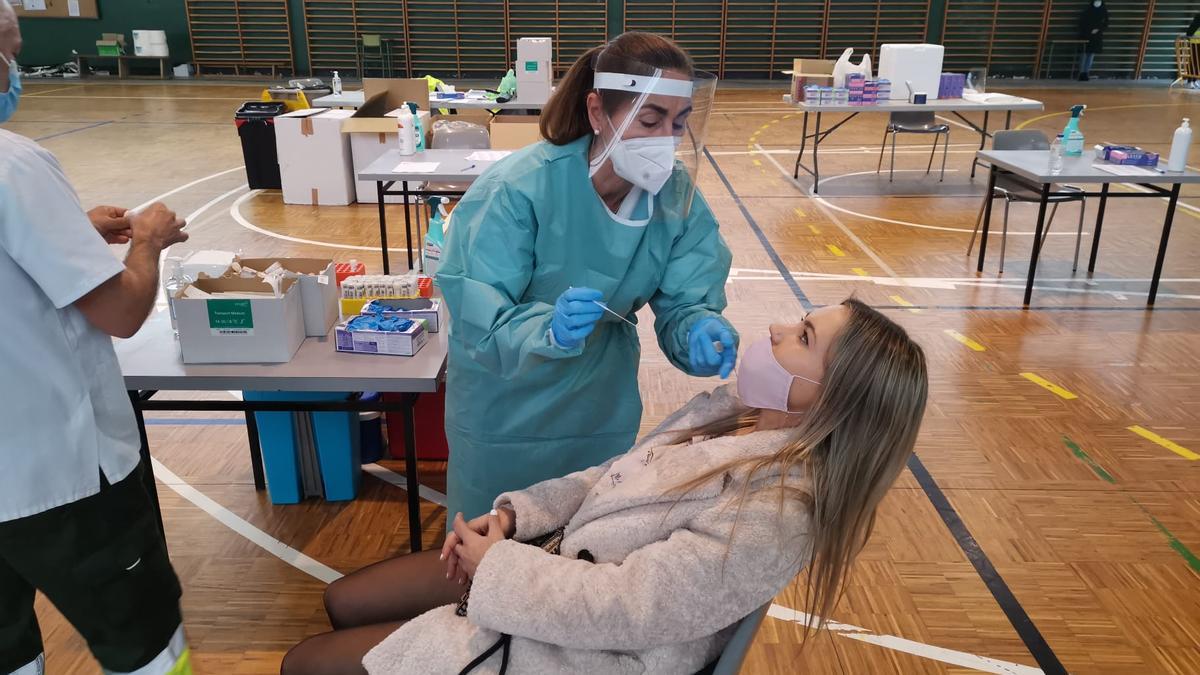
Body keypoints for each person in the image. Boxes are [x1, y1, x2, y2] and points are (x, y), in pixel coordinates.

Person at [282, 298, 930, 674]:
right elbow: (611, 478)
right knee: (346, 599)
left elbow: (629, 609)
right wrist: (513, 518)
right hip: (545, 565)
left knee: (305, 663)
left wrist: (498, 567)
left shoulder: (776, 512)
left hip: (573, 649)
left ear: (834, 397)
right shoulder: (731, 415)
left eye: (803, 337)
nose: (775, 330)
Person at [437, 31, 739, 521]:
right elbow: (479, 316)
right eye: (650, 119)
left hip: (600, 407)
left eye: (678, 123)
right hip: (507, 411)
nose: (666, 139)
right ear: (598, 112)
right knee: (493, 555)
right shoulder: (518, 189)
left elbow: (688, 295)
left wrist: (699, 327)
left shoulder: (673, 195)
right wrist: (546, 330)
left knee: (579, 553)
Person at [0, 3, 194, 674]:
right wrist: (149, 242)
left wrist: (66, 228)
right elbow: (120, 311)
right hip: (63, 474)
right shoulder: (14, 167)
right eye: (9, 54)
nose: (14, 72)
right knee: (145, 646)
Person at [1077, 0, 1109, 81]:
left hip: (1096, 37)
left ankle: (1086, 72)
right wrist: (1089, 31)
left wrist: (1098, 29)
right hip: (1085, 36)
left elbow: (1106, 24)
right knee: (1084, 54)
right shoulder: (1087, 11)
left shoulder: (1104, 11)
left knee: (1090, 55)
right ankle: (1081, 72)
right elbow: (1082, 23)